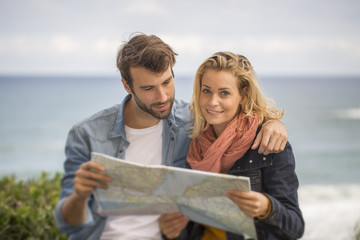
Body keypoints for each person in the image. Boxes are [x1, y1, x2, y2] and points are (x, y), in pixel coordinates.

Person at [54, 34, 289, 240]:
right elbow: (69, 222)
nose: (163, 96)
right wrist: (80, 195)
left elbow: (234, 118)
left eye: (167, 82)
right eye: (148, 88)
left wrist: (272, 123)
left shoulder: (192, 122)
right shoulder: (86, 134)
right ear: (127, 86)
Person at [159, 52, 304, 240]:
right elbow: (192, 227)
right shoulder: (192, 143)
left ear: (243, 95)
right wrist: (171, 232)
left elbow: (295, 227)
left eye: (224, 93)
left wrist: (267, 208)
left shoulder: (268, 145)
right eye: (206, 91)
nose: (212, 101)